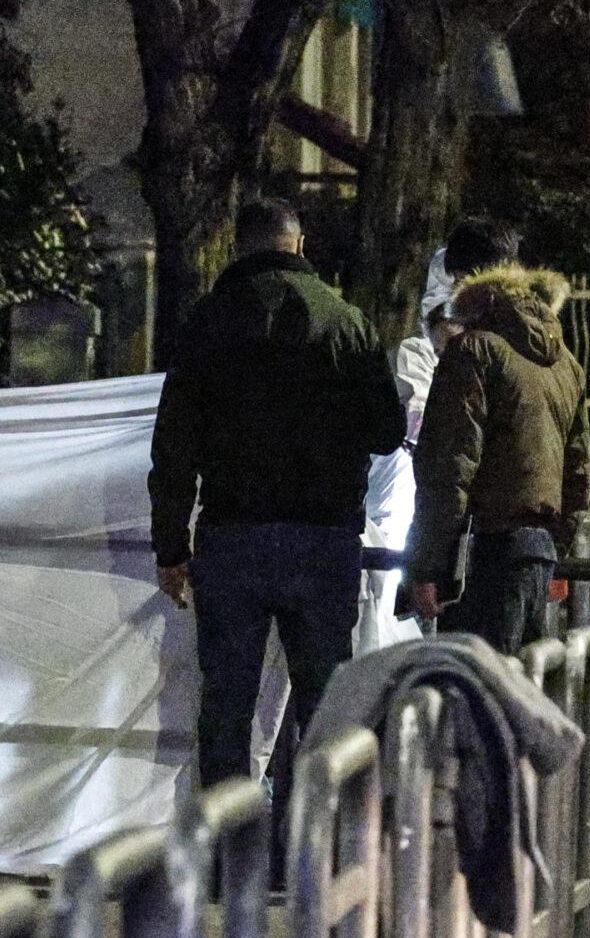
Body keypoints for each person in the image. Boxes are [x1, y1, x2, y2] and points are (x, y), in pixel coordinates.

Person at [150, 197, 406, 788]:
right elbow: (388, 429)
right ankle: (323, 847)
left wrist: (171, 545)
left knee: (227, 707)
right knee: (325, 705)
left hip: (231, 536)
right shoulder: (344, 321)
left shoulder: (207, 323)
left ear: (240, 247)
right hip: (322, 539)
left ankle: (224, 855)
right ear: (298, 244)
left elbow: (174, 447)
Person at [405, 253, 590, 652]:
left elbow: (450, 467)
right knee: (518, 690)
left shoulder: (473, 350)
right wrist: (552, 549)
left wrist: (426, 565)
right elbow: (578, 474)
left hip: (484, 551)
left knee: (476, 690)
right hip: (536, 552)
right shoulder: (567, 366)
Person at [355, 219, 520, 653]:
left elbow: (448, 459)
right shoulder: (426, 357)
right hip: (485, 536)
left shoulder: (488, 354)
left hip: (474, 536)